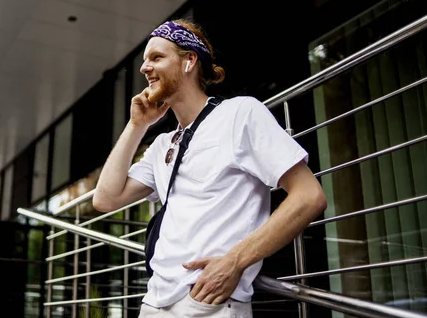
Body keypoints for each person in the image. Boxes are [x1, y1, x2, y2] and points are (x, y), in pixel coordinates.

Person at [93, 19, 327, 317]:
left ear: (189, 61)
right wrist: (136, 125)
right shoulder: (163, 143)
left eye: (156, 57)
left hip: (207, 301)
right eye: (144, 60)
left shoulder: (240, 113)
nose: (144, 68)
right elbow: (105, 199)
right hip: (154, 302)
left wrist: (234, 262)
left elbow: (309, 197)